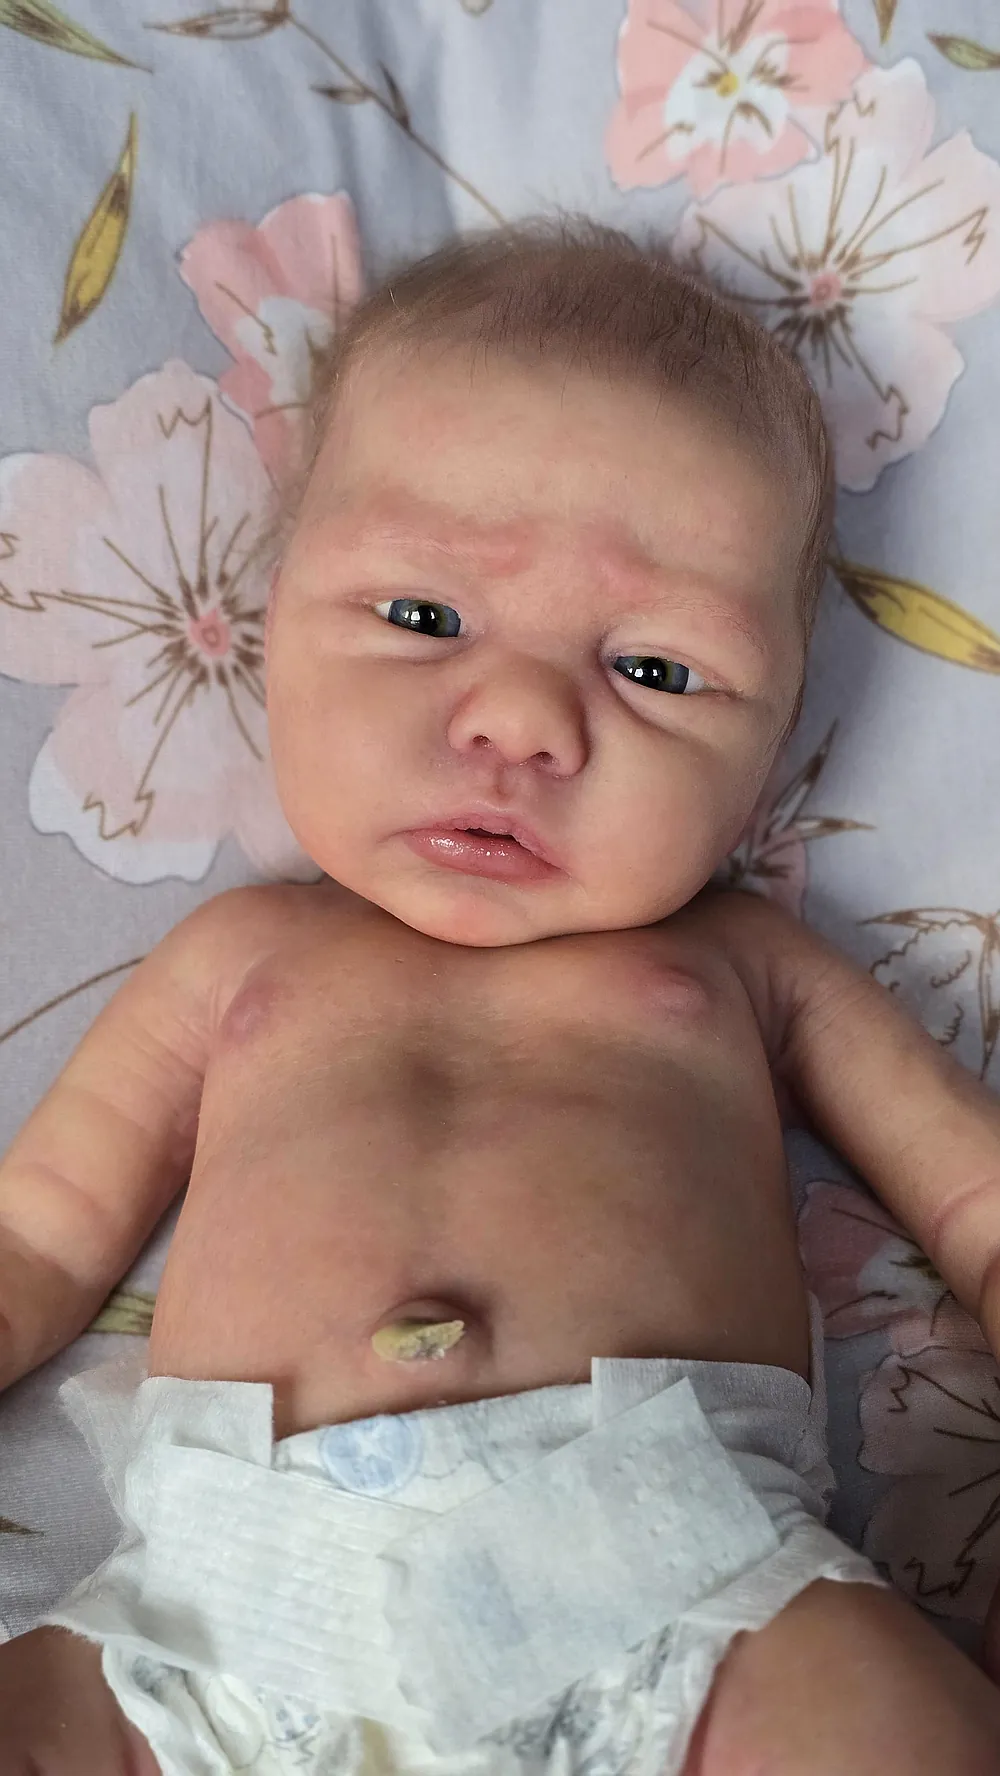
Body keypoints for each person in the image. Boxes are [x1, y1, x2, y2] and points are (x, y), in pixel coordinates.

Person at [3, 221, 1000, 1776]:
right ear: (272, 624)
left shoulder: (744, 970)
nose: (522, 720)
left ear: (777, 737)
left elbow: (974, 1196)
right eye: (423, 618)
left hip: (674, 1583)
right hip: (219, 1613)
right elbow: (43, 1233)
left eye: (655, 671)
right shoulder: (240, 955)